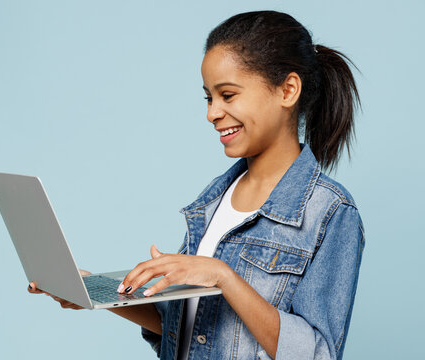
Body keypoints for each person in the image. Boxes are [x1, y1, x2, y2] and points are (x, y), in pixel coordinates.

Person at [28, 10, 365, 360]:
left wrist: (223, 276)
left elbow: (317, 354)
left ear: (287, 90)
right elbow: (191, 328)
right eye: (209, 97)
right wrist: (95, 290)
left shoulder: (330, 213)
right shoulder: (215, 200)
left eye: (228, 95)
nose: (212, 113)